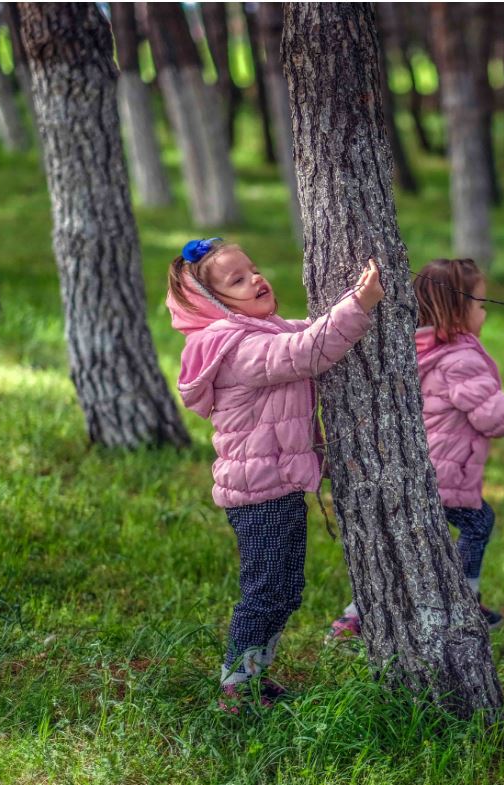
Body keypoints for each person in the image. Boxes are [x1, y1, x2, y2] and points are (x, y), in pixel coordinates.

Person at [165, 237, 382, 710]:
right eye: (237, 280)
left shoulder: (263, 332)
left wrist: (346, 310)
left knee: (285, 588)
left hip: (276, 485)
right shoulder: (237, 348)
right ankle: (235, 686)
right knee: (265, 590)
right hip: (257, 493)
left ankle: (252, 677)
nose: (256, 279)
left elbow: (306, 333)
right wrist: (359, 303)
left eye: (254, 269)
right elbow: (306, 352)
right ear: (216, 303)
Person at [329, 258, 504, 642]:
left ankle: (357, 616)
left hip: (418, 466)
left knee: (410, 547)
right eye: (481, 304)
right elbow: (493, 417)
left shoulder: (419, 347)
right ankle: (464, 598)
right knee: (474, 524)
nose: (485, 312)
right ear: (458, 309)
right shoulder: (461, 359)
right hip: (444, 473)